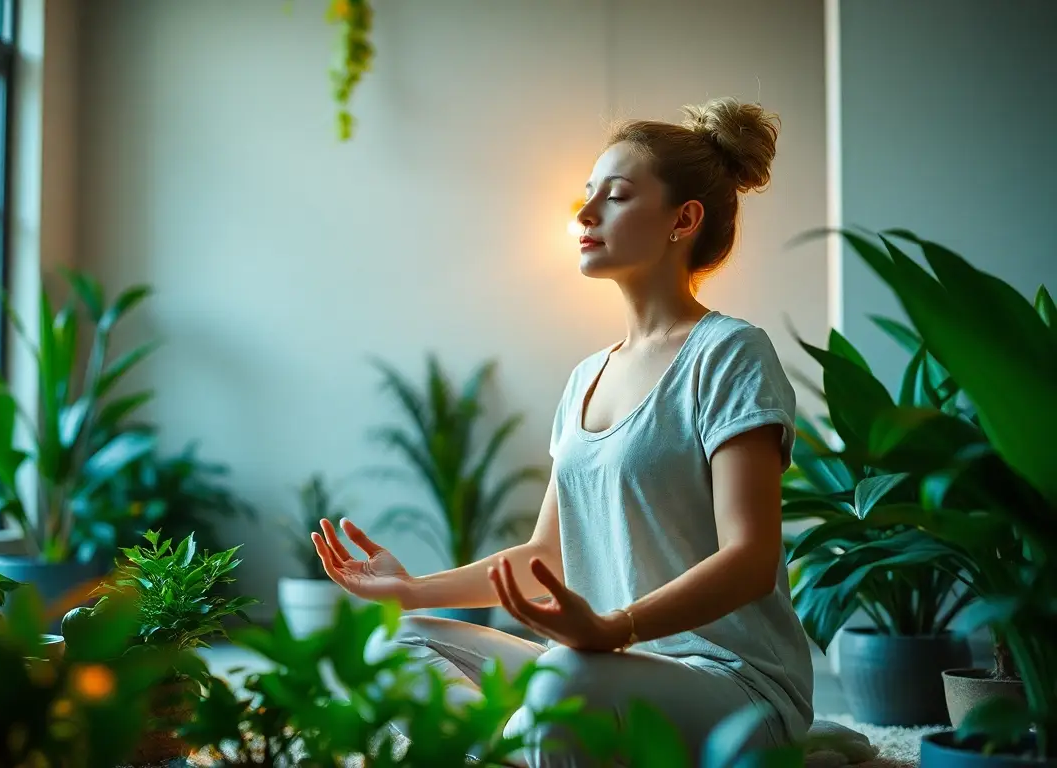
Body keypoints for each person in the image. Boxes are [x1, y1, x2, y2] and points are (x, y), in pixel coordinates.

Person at [310, 97, 813, 767]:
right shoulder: (586, 378)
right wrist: (412, 590)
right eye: (587, 196)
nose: (585, 214)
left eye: (616, 196)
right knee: (392, 644)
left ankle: (522, 741)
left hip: (733, 686)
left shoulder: (729, 353)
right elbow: (545, 558)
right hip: (607, 671)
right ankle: (533, 745)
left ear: (682, 220)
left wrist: (616, 627)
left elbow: (750, 558)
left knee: (562, 679)